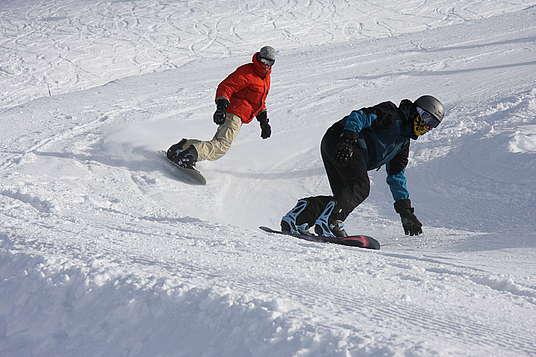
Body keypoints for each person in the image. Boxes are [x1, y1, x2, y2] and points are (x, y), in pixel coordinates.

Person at [280, 95, 445, 238]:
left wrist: (406, 212)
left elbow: (396, 177)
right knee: (360, 187)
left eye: (432, 124)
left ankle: (299, 216)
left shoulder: (403, 144)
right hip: (342, 140)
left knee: (344, 198)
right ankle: (330, 223)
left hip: (339, 144)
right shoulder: (391, 114)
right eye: (426, 118)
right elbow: (360, 116)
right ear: (416, 111)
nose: (426, 126)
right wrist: (348, 139)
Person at [166, 46, 276, 168]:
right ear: (259, 58)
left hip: (240, 115)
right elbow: (226, 87)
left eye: (270, 62)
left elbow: (258, 102)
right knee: (221, 147)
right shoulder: (247, 72)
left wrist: (264, 122)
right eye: (264, 61)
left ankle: (182, 147)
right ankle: (189, 156)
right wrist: (221, 108)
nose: (266, 65)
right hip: (234, 113)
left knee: (217, 143)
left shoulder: (265, 78)